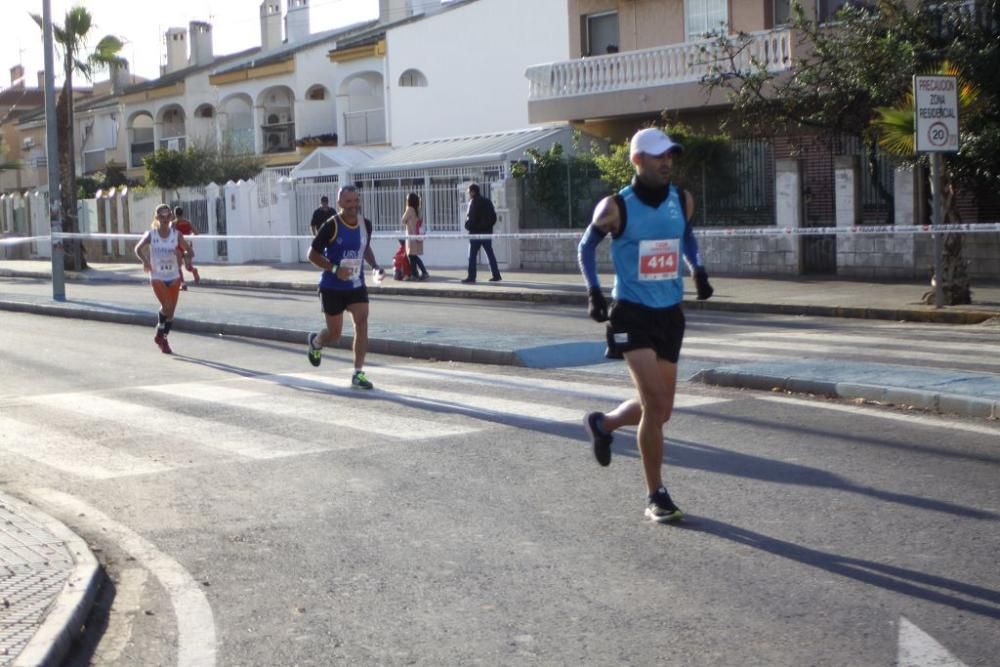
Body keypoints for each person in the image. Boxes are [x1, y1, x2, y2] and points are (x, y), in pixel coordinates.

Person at [577, 127, 715, 524]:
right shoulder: (615, 207)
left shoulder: (682, 200)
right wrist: (594, 292)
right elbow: (585, 247)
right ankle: (656, 494)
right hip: (631, 313)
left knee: (662, 409)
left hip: (670, 314)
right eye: (658, 155)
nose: (667, 161)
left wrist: (698, 268)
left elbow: (686, 237)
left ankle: (603, 424)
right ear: (637, 160)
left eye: (670, 154)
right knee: (655, 404)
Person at [306, 184, 384, 390]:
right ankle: (316, 342)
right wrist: (334, 269)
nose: (352, 206)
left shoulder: (365, 224)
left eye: (356, 201)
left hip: (356, 285)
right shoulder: (331, 225)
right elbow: (312, 255)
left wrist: (375, 266)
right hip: (332, 286)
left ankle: (358, 373)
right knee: (335, 334)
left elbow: (364, 247)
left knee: (362, 321)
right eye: (348, 202)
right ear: (339, 203)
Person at [134, 203, 194, 355]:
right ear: (157, 217)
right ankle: (160, 334)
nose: (165, 218)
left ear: (171, 217)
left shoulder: (177, 235)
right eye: (162, 215)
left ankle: (163, 338)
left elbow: (190, 251)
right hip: (157, 276)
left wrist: (182, 256)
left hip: (173, 276)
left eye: (168, 215)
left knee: (171, 313)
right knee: (166, 306)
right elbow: (137, 249)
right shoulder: (151, 235)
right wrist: (145, 261)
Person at [461, 183, 501, 283]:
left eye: (469, 192)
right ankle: (496, 274)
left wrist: (468, 226)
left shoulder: (473, 203)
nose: (469, 194)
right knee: (490, 254)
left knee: (472, 256)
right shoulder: (488, 201)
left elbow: (471, 218)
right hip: (487, 232)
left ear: (473, 192)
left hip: (475, 233)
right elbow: (493, 217)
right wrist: (488, 227)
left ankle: (471, 276)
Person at [400, 192, 429, 281]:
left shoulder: (409, 210)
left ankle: (416, 274)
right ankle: (420, 273)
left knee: (412, 256)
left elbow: (403, 220)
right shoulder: (418, 210)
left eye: (407, 199)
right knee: (414, 256)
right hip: (417, 236)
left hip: (411, 237)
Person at [172, 206, 200, 289]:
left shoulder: (173, 223)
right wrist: (189, 236)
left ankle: (182, 283)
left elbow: (170, 234)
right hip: (187, 246)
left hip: (178, 246)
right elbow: (197, 233)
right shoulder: (188, 222)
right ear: (183, 213)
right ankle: (193, 270)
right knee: (188, 267)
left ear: (175, 214)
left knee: (178, 266)